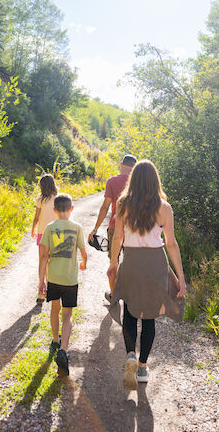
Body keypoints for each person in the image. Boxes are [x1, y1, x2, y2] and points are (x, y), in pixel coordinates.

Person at [107, 160, 187, 390]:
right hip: (155, 264)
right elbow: (171, 244)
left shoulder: (123, 204)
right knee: (149, 317)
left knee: (130, 312)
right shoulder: (164, 208)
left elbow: (117, 238)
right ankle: (142, 367)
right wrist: (180, 277)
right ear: (155, 180)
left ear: (133, 180)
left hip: (132, 261)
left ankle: (131, 354)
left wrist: (114, 262)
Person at [39, 193, 87, 377]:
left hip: (54, 278)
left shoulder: (50, 228)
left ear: (54, 210)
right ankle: (64, 350)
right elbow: (83, 252)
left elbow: (44, 256)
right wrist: (84, 264)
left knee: (54, 309)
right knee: (67, 315)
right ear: (71, 209)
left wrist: (41, 280)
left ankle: (55, 339)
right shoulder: (77, 227)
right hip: (69, 279)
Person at [88, 154, 137, 301]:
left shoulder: (112, 181)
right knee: (132, 261)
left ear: (121, 165)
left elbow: (105, 207)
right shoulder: (138, 183)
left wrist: (95, 229)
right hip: (134, 228)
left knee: (113, 262)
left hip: (115, 227)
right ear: (134, 167)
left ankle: (114, 294)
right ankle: (131, 295)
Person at [31, 174, 58, 304]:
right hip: (56, 234)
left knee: (42, 261)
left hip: (42, 233)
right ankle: (53, 288)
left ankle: (41, 291)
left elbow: (36, 217)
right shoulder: (58, 199)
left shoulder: (40, 199)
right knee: (53, 262)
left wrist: (32, 229)